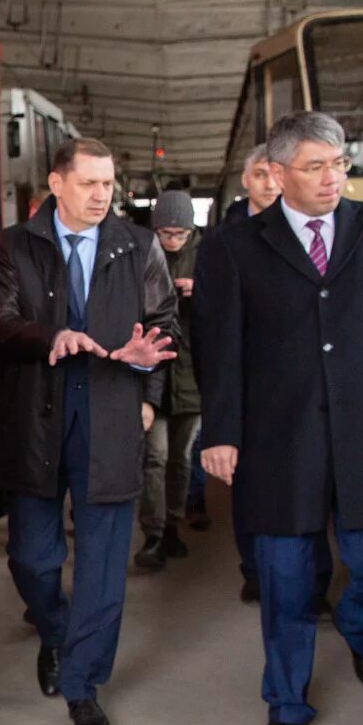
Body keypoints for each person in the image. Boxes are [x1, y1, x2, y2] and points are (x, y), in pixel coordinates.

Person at [197, 111, 363, 725]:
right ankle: (286, 700)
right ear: (276, 174)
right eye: (315, 166)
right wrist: (220, 431)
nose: (332, 177)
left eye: (339, 163)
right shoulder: (234, 246)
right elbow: (219, 348)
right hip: (278, 436)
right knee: (284, 576)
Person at [0, 137, 176, 725]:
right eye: (89, 183)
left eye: (108, 184)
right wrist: (51, 338)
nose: (101, 195)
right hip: (37, 416)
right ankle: (56, 632)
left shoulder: (138, 245)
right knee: (32, 558)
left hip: (112, 412)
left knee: (101, 566)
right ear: (57, 183)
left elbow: (165, 323)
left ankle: (83, 684)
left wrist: (147, 377)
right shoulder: (18, 244)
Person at [205, 143, 331, 607]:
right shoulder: (226, 240)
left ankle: (313, 582)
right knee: (251, 490)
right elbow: (216, 339)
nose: (268, 184)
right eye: (258, 175)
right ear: (246, 180)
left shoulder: (308, 232)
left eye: (272, 175)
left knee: (308, 489)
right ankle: (256, 569)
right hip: (252, 398)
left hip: (304, 393)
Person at [134, 189, 202, 573]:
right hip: (155, 371)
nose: (174, 241)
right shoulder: (141, 250)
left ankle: (173, 522)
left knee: (182, 458)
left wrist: (199, 291)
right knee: (154, 456)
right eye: (166, 234)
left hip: (192, 373)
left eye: (182, 234)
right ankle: (154, 532)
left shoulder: (208, 254)